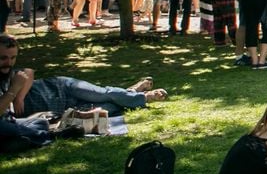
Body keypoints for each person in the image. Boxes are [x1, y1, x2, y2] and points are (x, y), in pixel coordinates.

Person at [0, 34, 166, 117]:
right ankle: (133, 91)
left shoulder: (11, 75)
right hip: (62, 110)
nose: (8, 62)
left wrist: (19, 97)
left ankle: (145, 96)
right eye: (3, 58)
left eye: (13, 57)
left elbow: (28, 72)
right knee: (109, 109)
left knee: (103, 94)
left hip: (62, 87)